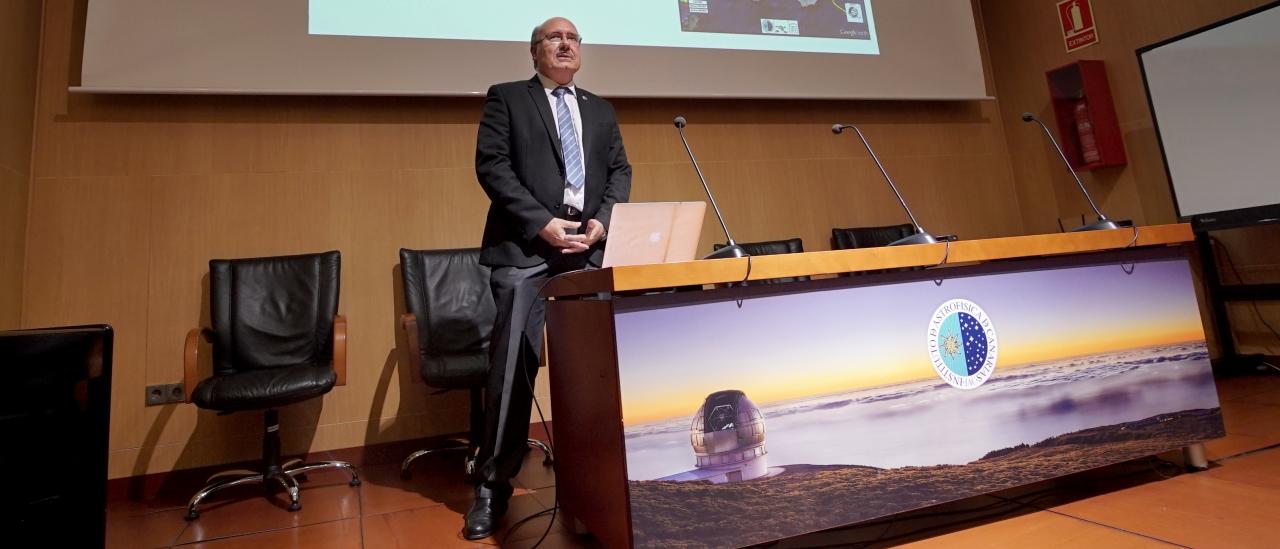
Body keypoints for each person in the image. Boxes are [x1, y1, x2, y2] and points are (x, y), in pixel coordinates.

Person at [465, 16, 632, 540]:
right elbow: (491, 166)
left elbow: (620, 171)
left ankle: (596, 482)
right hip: (526, 252)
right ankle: (491, 487)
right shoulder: (509, 98)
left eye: (573, 38)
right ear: (534, 52)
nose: (566, 44)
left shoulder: (600, 109)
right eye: (554, 38)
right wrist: (542, 223)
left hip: (587, 251)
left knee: (599, 366)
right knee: (514, 366)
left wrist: (603, 218)